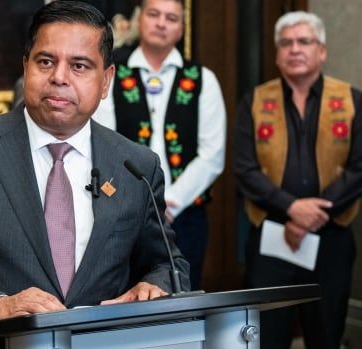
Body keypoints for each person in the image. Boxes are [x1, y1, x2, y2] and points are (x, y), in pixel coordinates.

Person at [0, 1, 190, 333]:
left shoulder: (136, 165)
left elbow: (166, 264)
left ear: (106, 80)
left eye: (79, 66)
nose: (59, 78)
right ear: (26, 67)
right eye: (46, 61)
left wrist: (153, 286)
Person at [235, 11, 362, 349]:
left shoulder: (351, 99)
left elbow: (359, 168)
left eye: (304, 41)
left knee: (325, 333)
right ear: (277, 55)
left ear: (321, 50)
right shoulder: (256, 101)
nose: (295, 49)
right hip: (271, 237)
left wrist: (311, 215)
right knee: (268, 336)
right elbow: (245, 170)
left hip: (331, 237)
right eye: (286, 43)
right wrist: (292, 208)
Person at [93, 0, 226, 290]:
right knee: (125, 294)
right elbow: (102, 141)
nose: (162, 23)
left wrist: (172, 202)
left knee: (182, 297)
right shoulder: (112, 74)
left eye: (171, 18)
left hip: (185, 215)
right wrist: (141, 201)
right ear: (139, 20)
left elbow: (212, 155)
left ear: (181, 29)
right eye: (153, 15)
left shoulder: (202, 79)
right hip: (123, 211)